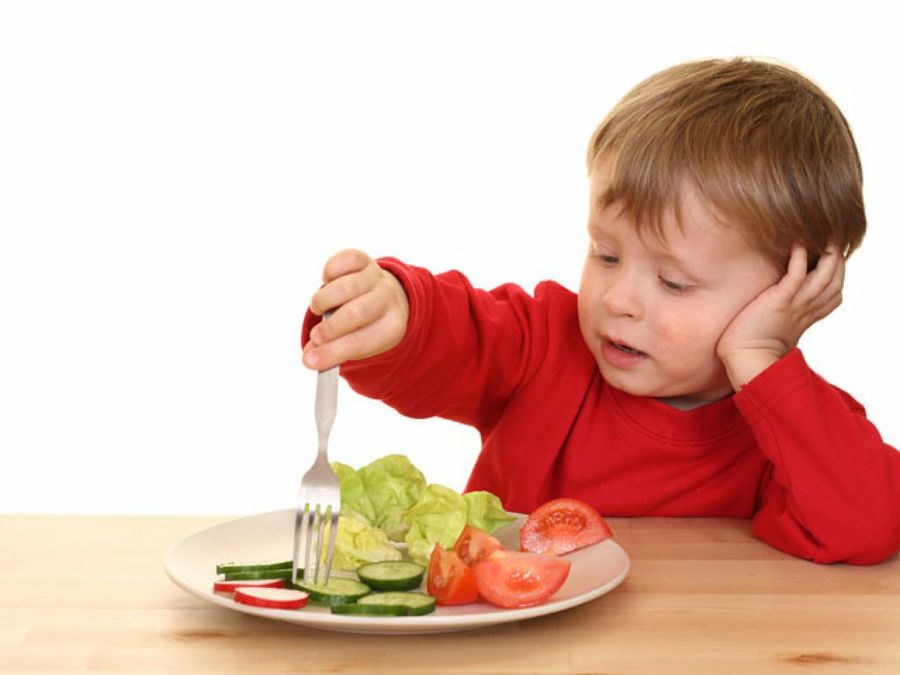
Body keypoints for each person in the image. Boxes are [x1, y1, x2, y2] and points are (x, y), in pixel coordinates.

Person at [300, 57, 899, 565]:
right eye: (605, 253)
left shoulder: (792, 425)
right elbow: (459, 334)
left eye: (674, 281)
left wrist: (760, 360)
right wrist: (393, 316)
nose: (617, 299)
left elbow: (868, 526)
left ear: (792, 288)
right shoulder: (545, 342)